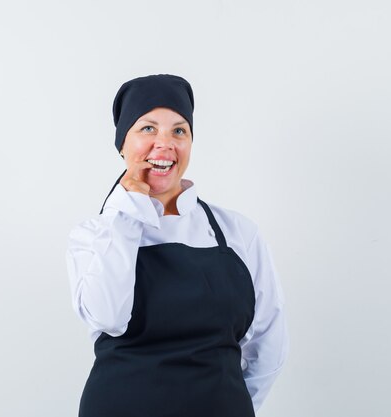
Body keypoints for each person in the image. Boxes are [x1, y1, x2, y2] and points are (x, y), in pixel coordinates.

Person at [66, 74, 289, 417]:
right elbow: (109, 316)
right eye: (148, 129)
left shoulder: (237, 232)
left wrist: (234, 406)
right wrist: (128, 210)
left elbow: (269, 343)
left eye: (179, 131)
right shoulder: (94, 234)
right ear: (122, 144)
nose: (164, 144)